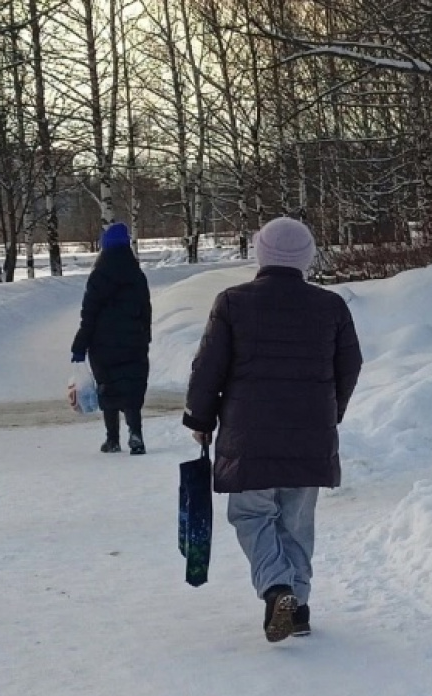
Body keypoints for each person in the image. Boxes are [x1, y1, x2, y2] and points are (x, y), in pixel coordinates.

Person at [183, 216, 362, 643]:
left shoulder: (232, 302)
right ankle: (296, 607)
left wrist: (200, 420)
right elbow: (350, 365)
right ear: (306, 258)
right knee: (297, 522)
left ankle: (276, 588)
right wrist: (329, 413)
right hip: (310, 434)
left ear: (261, 254)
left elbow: (209, 368)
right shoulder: (331, 306)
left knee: (252, 514)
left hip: (248, 438)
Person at [71, 221, 152, 455]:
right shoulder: (136, 275)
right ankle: (136, 435)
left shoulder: (99, 276)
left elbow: (89, 315)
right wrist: (144, 337)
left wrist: (80, 345)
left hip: (103, 345)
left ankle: (112, 440)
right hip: (134, 343)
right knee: (132, 389)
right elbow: (145, 310)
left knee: (108, 388)